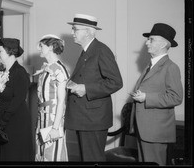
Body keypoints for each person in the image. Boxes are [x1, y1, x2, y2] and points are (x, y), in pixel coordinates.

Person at [64, 14, 123, 161]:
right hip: (85, 118)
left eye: (75, 29)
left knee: (92, 159)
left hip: (93, 120)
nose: (72, 33)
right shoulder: (87, 51)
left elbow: (116, 82)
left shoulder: (101, 50)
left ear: (89, 31)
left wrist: (86, 89)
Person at [130, 23, 183, 165]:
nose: (147, 42)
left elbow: (176, 97)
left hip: (155, 133)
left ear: (163, 44)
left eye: (151, 39)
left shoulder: (171, 67)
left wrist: (147, 97)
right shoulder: (150, 65)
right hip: (145, 130)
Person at [0, 38, 33, 161]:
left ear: (10, 52)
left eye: (0, 51)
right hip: (3, 122)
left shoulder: (20, 73)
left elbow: (17, 101)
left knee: (14, 155)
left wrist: (3, 121)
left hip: (16, 123)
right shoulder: (2, 73)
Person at [34, 34, 70, 161]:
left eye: (41, 46)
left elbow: (61, 102)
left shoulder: (60, 70)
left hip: (52, 119)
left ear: (50, 47)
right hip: (42, 118)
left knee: (52, 155)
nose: (39, 49)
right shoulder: (46, 68)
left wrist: (55, 128)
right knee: (40, 155)